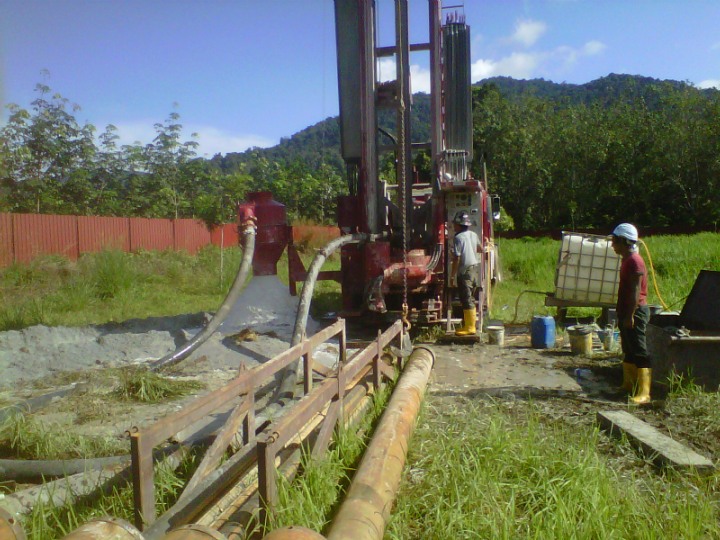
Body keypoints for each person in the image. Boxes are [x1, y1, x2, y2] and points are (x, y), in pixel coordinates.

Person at [611, 223, 651, 404]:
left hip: (635, 312)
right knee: (628, 349)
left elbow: (636, 291)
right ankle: (629, 384)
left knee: (639, 350)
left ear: (624, 241)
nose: (612, 244)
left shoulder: (635, 261)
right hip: (626, 311)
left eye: (615, 241)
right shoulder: (626, 260)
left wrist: (630, 315)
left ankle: (645, 393)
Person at [450, 211, 481, 336]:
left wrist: (452, 275)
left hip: (465, 271)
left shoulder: (458, 238)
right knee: (470, 298)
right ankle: (469, 325)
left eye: (455, 224)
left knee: (466, 298)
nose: (453, 226)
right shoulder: (473, 234)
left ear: (459, 225)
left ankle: (470, 327)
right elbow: (480, 249)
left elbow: (457, 258)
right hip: (474, 269)